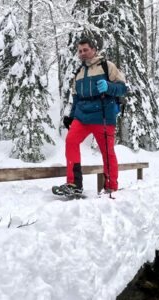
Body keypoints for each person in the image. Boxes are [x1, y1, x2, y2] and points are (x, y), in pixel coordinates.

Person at [54, 37, 128, 196]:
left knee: (107, 152)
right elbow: (76, 97)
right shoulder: (78, 72)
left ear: (94, 49)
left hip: (103, 114)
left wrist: (109, 87)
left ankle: (110, 186)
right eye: (80, 51)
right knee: (71, 141)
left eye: (85, 50)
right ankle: (74, 184)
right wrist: (72, 116)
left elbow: (123, 89)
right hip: (82, 116)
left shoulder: (107, 66)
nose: (82, 53)